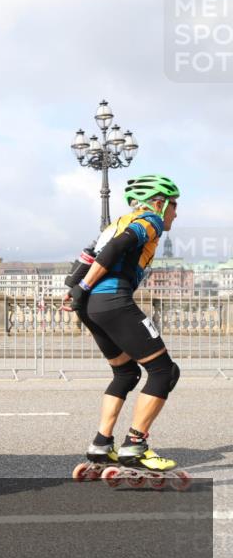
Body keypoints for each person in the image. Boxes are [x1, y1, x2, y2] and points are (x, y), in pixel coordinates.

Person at [63, 175, 189, 488]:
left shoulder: (116, 221)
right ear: (159, 203)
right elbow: (118, 248)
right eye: (173, 205)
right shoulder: (150, 220)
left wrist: (74, 290)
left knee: (126, 374)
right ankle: (135, 445)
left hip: (92, 306)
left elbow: (88, 254)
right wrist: (83, 286)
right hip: (113, 300)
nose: (175, 212)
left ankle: (101, 445)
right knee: (164, 371)